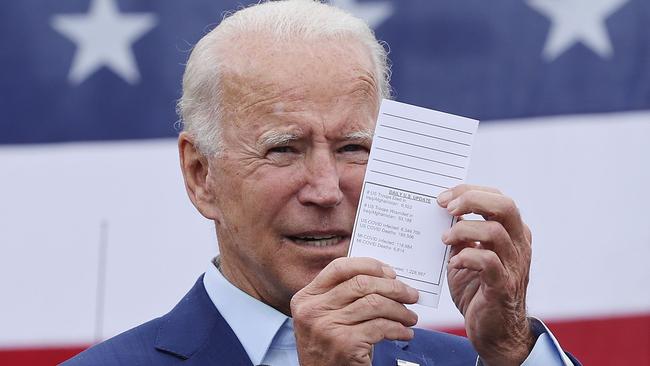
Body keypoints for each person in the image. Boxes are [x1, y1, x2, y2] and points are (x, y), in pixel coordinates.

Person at [64, 1, 580, 365]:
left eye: (353, 148)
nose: (327, 189)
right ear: (202, 176)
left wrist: (513, 348)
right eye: (284, 149)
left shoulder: (475, 362)